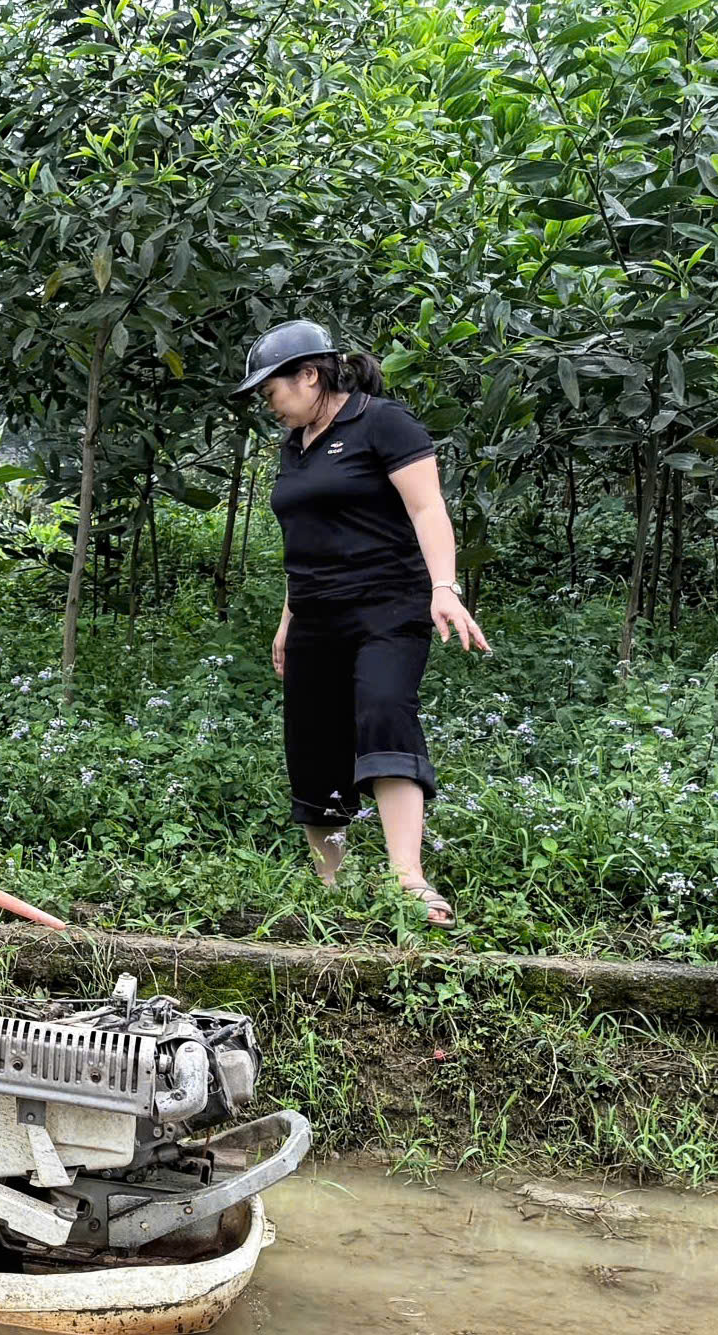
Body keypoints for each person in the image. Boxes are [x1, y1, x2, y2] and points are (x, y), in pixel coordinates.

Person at [233, 321, 491, 928]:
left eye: (272, 389)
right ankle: (335, 889)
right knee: (314, 738)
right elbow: (305, 540)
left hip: (390, 605)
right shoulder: (294, 445)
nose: (268, 403)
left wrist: (445, 587)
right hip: (316, 612)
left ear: (309, 376)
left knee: (382, 709)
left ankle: (409, 881)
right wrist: (286, 620)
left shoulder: (383, 422)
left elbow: (428, 508)